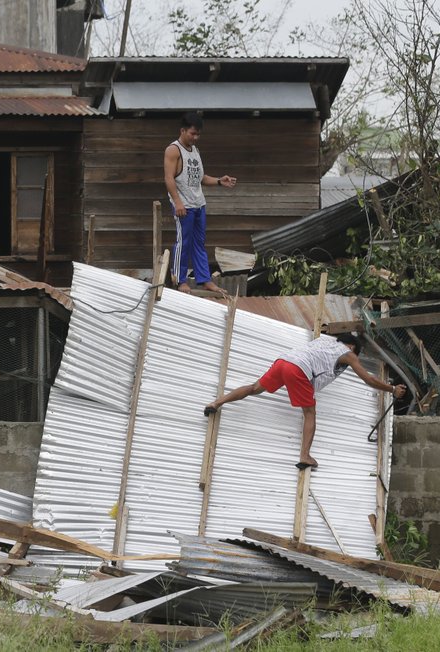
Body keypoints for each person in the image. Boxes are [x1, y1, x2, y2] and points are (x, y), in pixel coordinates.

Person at [203, 333, 407, 469]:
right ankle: (305, 456)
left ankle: (216, 403)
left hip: (283, 361)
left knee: (255, 388)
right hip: (299, 369)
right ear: (352, 346)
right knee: (310, 412)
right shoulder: (348, 353)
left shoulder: (323, 340)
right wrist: (391, 388)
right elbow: (368, 378)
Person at [164, 112, 237, 294]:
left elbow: (200, 178)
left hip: (198, 204)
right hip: (184, 206)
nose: (195, 138)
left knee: (199, 242)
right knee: (184, 242)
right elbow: (169, 178)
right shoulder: (173, 150)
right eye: (192, 134)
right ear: (183, 130)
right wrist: (178, 202)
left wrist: (220, 181)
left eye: (198, 134)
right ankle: (180, 280)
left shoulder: (195, 150)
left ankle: (205, 279)